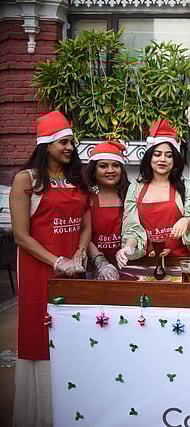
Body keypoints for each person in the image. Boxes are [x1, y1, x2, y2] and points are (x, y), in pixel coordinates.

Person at [9, 112, 90, 426]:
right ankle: (41, 414)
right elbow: (21, 236)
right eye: (63, 142)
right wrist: (56, 261)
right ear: (46, 145)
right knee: (40, 333)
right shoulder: (26, 180)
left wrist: (79, 253)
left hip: (73, 272)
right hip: (38, 270)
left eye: (71, 142)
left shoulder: (77, 179)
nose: (69, 147)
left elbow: (85, 224)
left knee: (71, 332)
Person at [116, 119, 190, 277]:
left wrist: (187, 222)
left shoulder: (187, 187)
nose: (163, 159)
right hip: (146, 267)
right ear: (149, 158)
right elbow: (132, 229)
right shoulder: (135, 189)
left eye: (169, 155)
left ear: (174, 161)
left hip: (181, 264)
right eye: (157, 154)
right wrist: (128, 247)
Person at [84, 140, 129, 280]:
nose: (110, 170)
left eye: (116, 165)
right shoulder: (86, 196)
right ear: (93, 170)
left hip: (126, 265)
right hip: (94, 266)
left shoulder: (129, 194)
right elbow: (82, 232)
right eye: (103, 166)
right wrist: (100, 262)